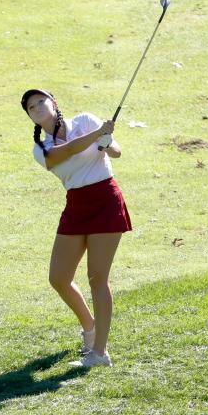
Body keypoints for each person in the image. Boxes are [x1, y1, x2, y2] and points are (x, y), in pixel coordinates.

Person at [22, 89, 131, 368]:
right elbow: (67, 151)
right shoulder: (42, 149)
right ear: (30, 117)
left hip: (105, 199)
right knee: (58, 277)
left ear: (54, 103)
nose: (37, 108)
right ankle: (90, 327)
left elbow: (116, 153)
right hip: (76, 206)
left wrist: (106, 141)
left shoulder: (85, 120)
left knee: (98, 278)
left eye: (41, 101)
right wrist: (98, 135)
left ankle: (99, 352)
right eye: (31, 107)